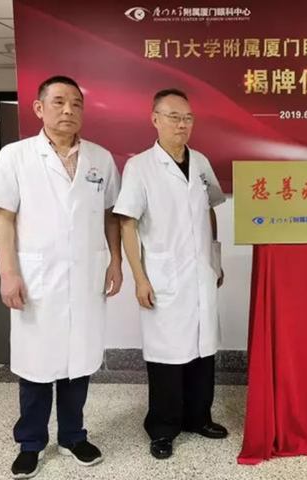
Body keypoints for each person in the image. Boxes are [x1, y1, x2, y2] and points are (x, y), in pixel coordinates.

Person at [0, 75, 122, 478]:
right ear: (39, 108)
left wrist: (115, 261)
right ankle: (31, 442)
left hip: (87, 275)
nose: (68, 110)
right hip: (36, 278)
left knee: (80, 361)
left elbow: (111, 216)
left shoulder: (100, 158)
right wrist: (8, 272)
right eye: (58, 102)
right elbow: (3, 219)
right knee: (36, 365)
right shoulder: (16, 156)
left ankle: (73, 436)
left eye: (76, 103)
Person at [114, 89, 228, 460]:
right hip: (164, 274)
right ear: (155, 119)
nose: (182, 124)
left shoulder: (201, 162)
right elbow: (127, 224)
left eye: (188, 118)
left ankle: (199, 417)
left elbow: (210, 209)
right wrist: (139, 278)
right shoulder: (140, 166)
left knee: (202, 351)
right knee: (166, 358)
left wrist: (215, 258)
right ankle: (162, 429)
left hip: (201, 271)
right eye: (174, 116)